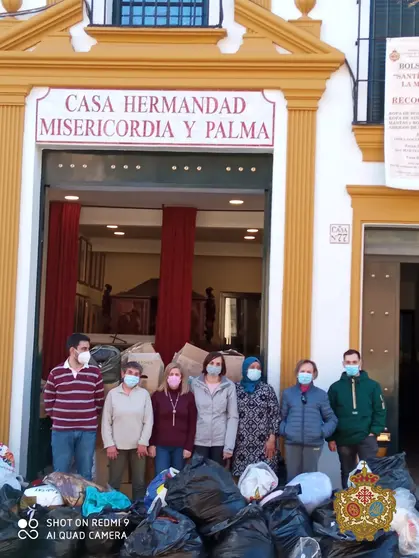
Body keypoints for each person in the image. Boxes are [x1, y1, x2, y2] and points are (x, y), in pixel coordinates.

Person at [44, 333, 105, 480]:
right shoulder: (56, 373)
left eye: (88, 349)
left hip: (87, 431)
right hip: (62, 431)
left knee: (85, 472)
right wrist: (60, 417)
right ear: (73, 350)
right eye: (83, 348)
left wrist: (86, 416)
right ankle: (62, 502)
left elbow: (99, 400)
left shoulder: (95, 373)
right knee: (60, 473)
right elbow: (48, 400)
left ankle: (85, 502)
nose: (87, 353)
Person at [327, 349, 387, 488]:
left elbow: (380, 410)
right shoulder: (335, 388)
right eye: (348, 362)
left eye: (354, 362)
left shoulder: (372, 386)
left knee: (370, 472)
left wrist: (374, 431)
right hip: (344, 438)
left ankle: (368, 505)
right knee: (347, 473)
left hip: (366, 437)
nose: (351, 365)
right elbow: (329, 414)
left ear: (360, 362)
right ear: (343, 363)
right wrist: (331, 438)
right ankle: (349, 506)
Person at [101, 361, 153, 500]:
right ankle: (112, 512)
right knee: (114, 483)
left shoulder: (144, 395)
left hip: (139, 447)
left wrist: (143, 442)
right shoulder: (113, 394)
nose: (133, 376)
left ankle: (138, 514)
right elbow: (106, 421)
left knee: (139, 483)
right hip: (117, 446)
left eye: (137, 374)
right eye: (130, 373)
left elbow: (148, 421)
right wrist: (109, 444)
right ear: (123, 374)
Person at [279, 359, 337, 483]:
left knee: (310, 480)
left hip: (313, 445)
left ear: (314, 374)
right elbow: (281, 418)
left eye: (309, 372)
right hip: (292, 443)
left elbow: (331, 419)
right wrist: (286, 430)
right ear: (297, 373)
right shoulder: (288, 393)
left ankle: (308, 503)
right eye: (303, 371)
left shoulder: (321, 395)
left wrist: (321, 432)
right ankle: (292, 502)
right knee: (292, 479)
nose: (305, 374)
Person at [232, 357, 280, 478]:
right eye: (252, 368)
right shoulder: (235, 389)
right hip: (240, 444)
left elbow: (274, 415)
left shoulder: (267, 389)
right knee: (242, 481)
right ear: (244, 369)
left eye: (258, 368)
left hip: (264, 445)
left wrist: (272, 439)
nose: (256, 370)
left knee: (264, 480)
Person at [191, 352, 239, 466]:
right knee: (199, 478)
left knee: (217, 479)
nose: (214, 366)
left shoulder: (229, 386)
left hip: (220, 441)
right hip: (199, 439)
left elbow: (233, 416)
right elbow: (190, 413)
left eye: (218, 364)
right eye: (212, 363)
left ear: (222, 367)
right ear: (206, 364)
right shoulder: (195, 384)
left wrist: (229, 446)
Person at [149, 363, 197, 474]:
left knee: (178, 481)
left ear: (181, 377)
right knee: (161, 479)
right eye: (171, 374)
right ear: (166, 376)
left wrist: (189, 447)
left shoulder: (189, 397)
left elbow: (192, 423)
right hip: (161, 446)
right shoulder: (157, 396)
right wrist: (151, 444)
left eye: (177, 374)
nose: (173, 377)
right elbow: (151, 422)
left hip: (181, 447)